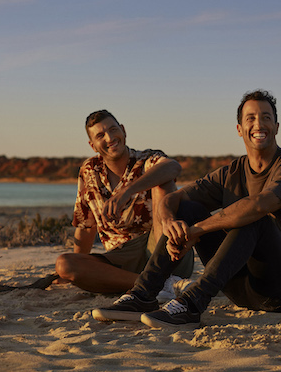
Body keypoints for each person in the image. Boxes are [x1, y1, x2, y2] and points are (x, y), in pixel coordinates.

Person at [92, 90, 281, 328]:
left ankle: (191, 305)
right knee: (187, 209)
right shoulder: (231, 172)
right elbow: (173, 199)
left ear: (276, 126)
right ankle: (142, 295)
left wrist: (196, 231)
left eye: (266, 117)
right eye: (250, 118)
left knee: (254, 218)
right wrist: (170, 223)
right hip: (244, 290)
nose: (258, 124)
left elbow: (258, 205)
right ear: (239, 129)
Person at [56, 109, 193, 294]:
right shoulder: (89, 170)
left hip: (163, 248)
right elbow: (86, 226)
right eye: (100, 135)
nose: (110, 138)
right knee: (64, 264)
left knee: (163, 182)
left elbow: (173, 167)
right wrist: (79, 268)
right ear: (93, 145)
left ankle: (160, 276)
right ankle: (156, 284)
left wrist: (127, 192)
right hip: (121, 259)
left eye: (113, 130)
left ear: (123, 130)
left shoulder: (146, 160)